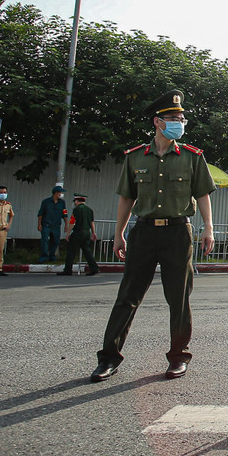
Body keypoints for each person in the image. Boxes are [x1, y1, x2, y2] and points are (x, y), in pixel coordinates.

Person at [90, 90, 216, 382]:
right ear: (158, 122)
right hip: (144, 232)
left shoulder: (192, 157)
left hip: (178, 233)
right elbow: (126, 198)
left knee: (179, 298)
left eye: (181, 119)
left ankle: (178, 357)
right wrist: (119, 233)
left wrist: (208, 227)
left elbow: (203, 194)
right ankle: (108, 358)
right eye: (174, 118)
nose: (180, 123)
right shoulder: (135, 158)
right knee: (127, 297)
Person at [58, 193, 99, 276]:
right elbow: (92, 222)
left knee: (71, 251)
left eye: (75, 201)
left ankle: (68, 270)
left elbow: (72, 222)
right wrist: (94, 233)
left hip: (78, 232)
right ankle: (94, 268)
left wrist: (68, 233)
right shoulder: (89, 210)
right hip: (87, 232)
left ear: (77, 201)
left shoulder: (76, 210)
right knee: (87, 251)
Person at [36, 186, 69, 264]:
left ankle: (52, 256)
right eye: (59, 192)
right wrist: (39, 224)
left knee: (56, 241)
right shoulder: (46, 202)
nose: (60, 194)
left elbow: (65, 213)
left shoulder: (62, 203)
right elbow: (41, 213)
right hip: (46, 225)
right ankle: (44, 256)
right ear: (55, 193)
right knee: (44, 241)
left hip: (56, 225)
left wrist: (66, 224)